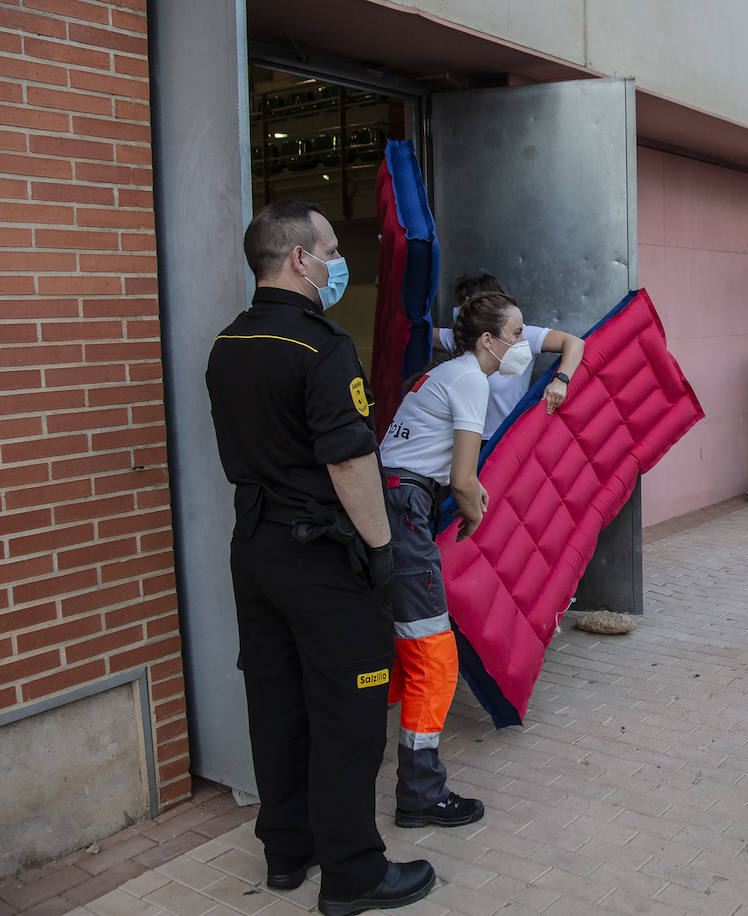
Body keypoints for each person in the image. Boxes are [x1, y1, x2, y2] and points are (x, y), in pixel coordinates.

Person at [206, 201, 435, 915]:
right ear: (300, 259)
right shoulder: (320, 346)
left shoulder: (229, 342)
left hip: (255, 551)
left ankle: (286, 850)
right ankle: (353, 874)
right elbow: (348, 462)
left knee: (276, 706)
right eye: (332, 250)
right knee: (347, 716)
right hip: (322, 559)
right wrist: (381, 551)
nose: (340, 262)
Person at [377, 291, 528, 828]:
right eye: (514, 335)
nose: (521, 344)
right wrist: (474, 509)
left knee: (398, 653)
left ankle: (359, 763)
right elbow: (464, 478)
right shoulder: (469, 380)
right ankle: (420, 795)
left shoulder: (447, 372)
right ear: (487, 340)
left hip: (394, 505)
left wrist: (465, 496)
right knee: (434, 659)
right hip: (405, 512)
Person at [434, 273, 585, 439]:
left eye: (472, 306)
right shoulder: (460, 338)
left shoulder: (524, 336)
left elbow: (575, 343)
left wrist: (561, 380)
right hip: (467, 434)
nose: (464, 314)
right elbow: (417, 332)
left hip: (507, 437)